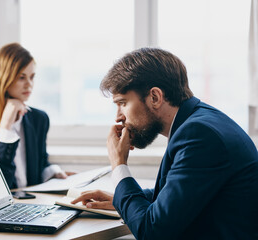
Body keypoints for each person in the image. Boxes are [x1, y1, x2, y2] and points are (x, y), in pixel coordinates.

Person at [72, 48, 258, 239]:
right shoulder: (200, 121)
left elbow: (152, 232)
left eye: (123, 103)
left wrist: (119, 165)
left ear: (155, 97)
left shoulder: (199, 136)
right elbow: (180, 194)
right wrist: (122, 199)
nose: (118, 117)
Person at [0, 42, 71, 190]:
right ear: (3, 78)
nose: (29, 84)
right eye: (21, 77)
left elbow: (40, 165)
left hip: (32, 203)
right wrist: (5, 127)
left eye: (32, 77)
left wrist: (54, 173)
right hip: (0, 208)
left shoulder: (39, 119)